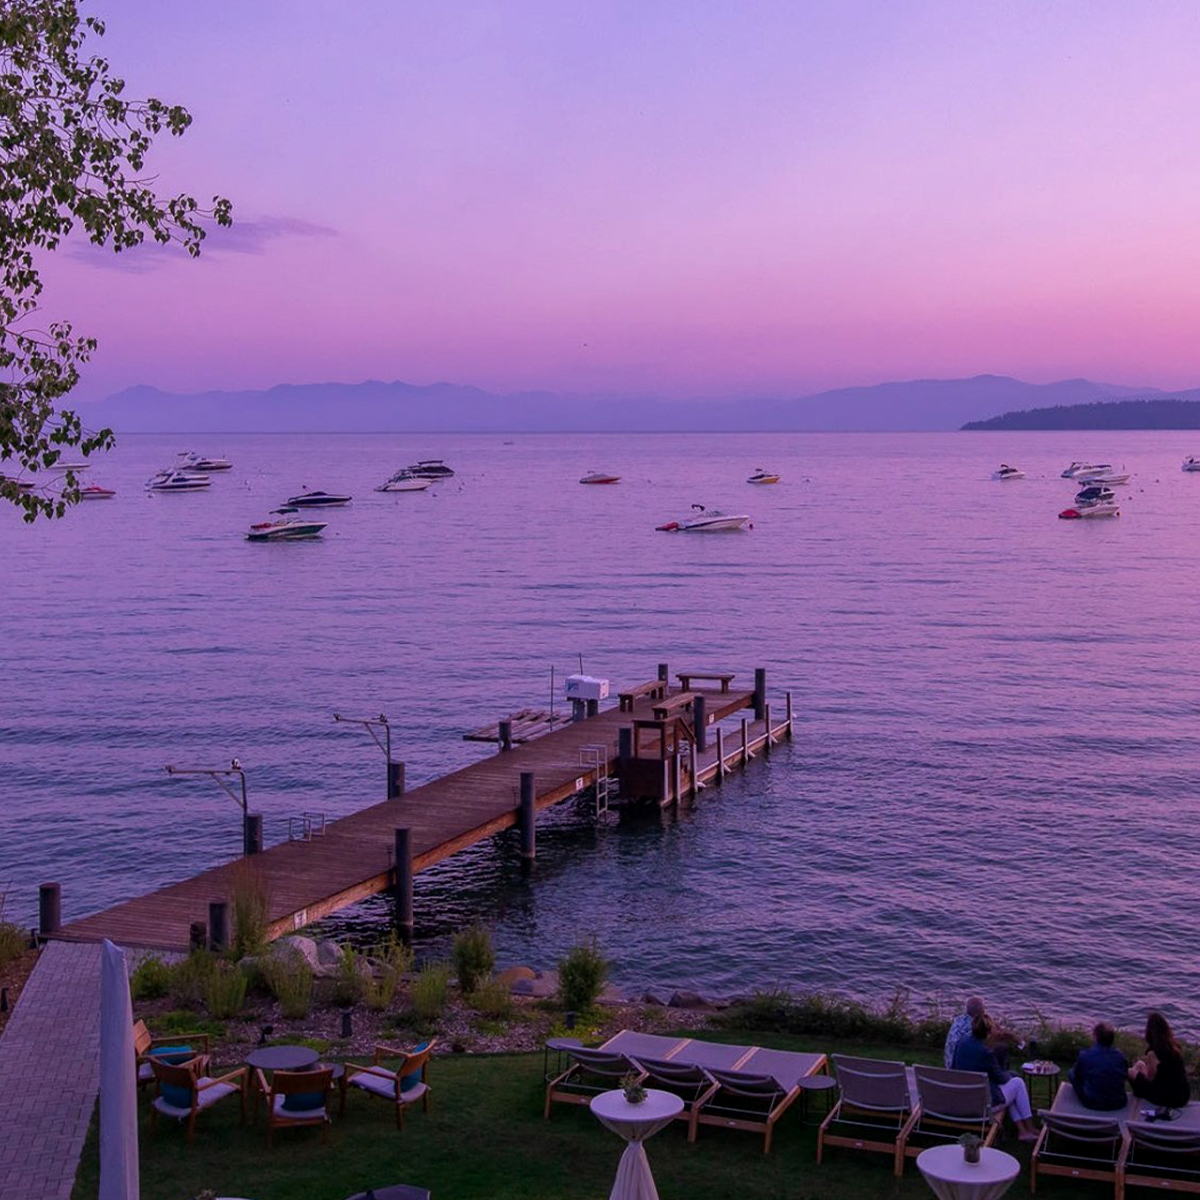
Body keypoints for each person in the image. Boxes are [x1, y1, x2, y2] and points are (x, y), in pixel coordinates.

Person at [952, 1013, 1038, 1141]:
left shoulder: (961, 1042)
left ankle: (1022, 1131)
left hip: (963, 1097)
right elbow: (1000, 1078)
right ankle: (1030, 1127)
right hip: (981, 1105)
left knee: (1012, 1087)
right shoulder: (986, 1053)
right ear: (988, 1032)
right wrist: (1011, 1074)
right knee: (1018, 1083)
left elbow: (954, 1067)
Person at [1129, 1012, 1190, 1109]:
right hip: (1183, 1096)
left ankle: (1139, 1094)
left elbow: (1150, 1078)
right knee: (1140, 1064)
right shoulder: (1174, 1047)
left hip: (1168, 1098)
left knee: (1131, 1072)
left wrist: (1139, 1072)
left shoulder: (1153, 1052)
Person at [944, 995, 1022, 1070]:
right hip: (964, 1068)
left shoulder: (959, 1019)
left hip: (951, 1065)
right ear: (981, 1010)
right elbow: (994, 1036)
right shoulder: (975, 1026)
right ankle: (1002, 1073)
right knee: (1001, 1047)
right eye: (984, 1007)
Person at [1069, 1022, 1129, 1111]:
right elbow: (1125, 1076)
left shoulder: (1085, 1055)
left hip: (1093, 1103)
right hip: (1119, 1102)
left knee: (1071, 1073)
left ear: (1096, 1037)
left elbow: (1077, 1075)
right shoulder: (1121, 1056)